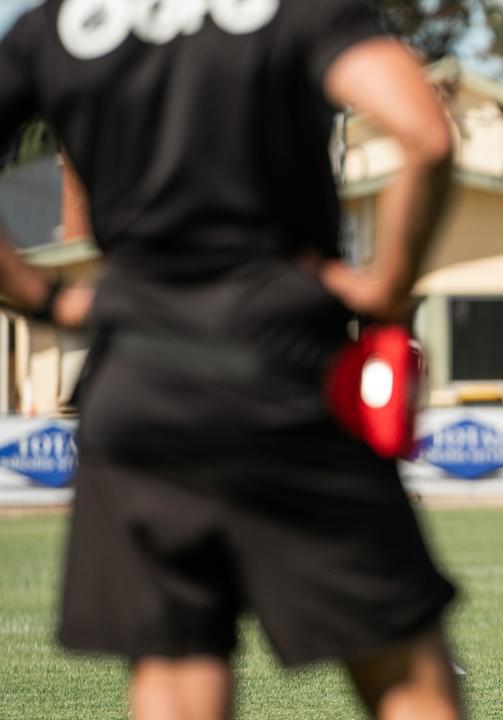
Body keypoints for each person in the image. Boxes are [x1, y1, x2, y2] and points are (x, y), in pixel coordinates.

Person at [0, 1, 461, 718]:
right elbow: (427, 137)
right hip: (284, 375)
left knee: (176, 671)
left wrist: (44, 298)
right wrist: (389, 289)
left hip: (137, 385)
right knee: (405, 673)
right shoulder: (297, 9)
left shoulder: (55, 26)